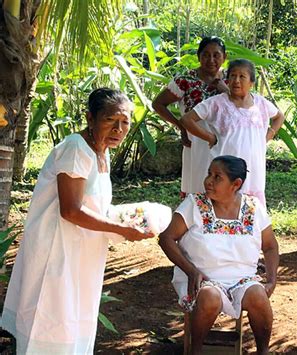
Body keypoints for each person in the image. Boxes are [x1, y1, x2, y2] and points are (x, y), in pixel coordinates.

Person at [2, 88, 154, 354]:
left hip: (82, 250)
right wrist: (120, 229)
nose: (119, 128)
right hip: (57, 249)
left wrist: (128, 217)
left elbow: (92, 204)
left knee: (74, 316)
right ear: (90, 118)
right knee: (53, 315)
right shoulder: (76, 148)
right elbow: (71, 211)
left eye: (125, 122)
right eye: (110, 120)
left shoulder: (101, 149)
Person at [159, 155, 279, 355]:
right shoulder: (194, 204)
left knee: (258, 296)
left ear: (236, 184)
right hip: (201, 278)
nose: (208, 181)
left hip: (242, 279)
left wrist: (272, 280)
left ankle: (263, 352)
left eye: (217, 177)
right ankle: (195, 351)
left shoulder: (253, 207)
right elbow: (166, 238)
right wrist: (191, 271)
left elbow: (270, 246)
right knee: (210, 297)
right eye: (209, 174)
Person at [181, 59, 285, 205]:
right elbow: (187, 119)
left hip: (254, 169)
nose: (236, 80)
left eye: (242, 77)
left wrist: (269, 134)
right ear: (227, 80)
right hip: (225, 171)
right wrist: (209, 137)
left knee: (250, 210)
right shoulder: (216, 103)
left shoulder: (261, 104)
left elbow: (279, 116)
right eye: (232, 76)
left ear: (251, 83)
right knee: (222, 208)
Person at [152, 36, 228, 197]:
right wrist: (181, 126)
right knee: (198, 184)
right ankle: (196, 219)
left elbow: (242, 103)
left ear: (224, 57)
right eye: (206, 55)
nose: (211, 60)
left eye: (216, 55)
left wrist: (224, 88)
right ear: (198, 56)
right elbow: (158, 104)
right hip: (196, 140)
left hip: (225, 140)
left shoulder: (230, 78)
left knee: (223, 183)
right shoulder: (185, 80)